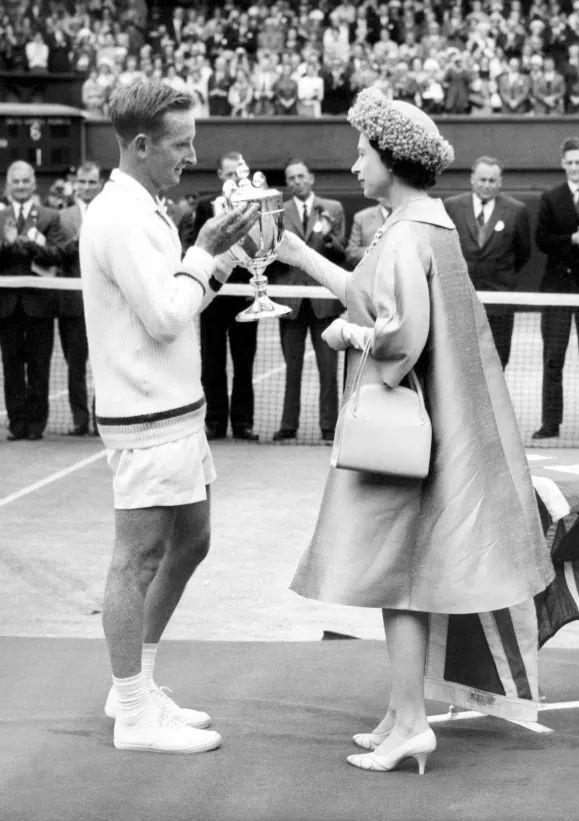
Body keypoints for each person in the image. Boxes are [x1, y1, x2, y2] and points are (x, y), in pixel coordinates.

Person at [277, 88, 554, 773]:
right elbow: (367, 291)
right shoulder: (426, 224)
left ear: (391, 160)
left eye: (362, 152)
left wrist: (345, 336)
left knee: (398, 579)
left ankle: (410, 724)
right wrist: (297, 252)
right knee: (403, 576)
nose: (355, 164)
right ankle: (400, 712)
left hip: (405, 437)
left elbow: (398, 340)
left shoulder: (404, 233)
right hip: (437, 432)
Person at [78, 79, 259, 753]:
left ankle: (136, 684)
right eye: (181, 144)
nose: (193, 155)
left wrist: (225, 255)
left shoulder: (145, 207)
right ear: (141, 145)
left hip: (178, 409)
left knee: (193, 540)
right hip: (146, 415)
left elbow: (179, 300)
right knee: (138, 558)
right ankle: (132, 712)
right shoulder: (120, 217)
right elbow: (163, 318)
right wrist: (205, 249)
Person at [179, 151, 260, 441]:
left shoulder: (255, 205)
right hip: (211, 296)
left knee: (244, 363)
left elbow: (263, 247)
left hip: (244, 296)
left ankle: (243, 423)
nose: (233, 179)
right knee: (212, 362)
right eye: (228, 174)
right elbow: (197, 246)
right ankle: (214, 421)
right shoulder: (205, 206)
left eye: (237, 174)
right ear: (219, 176)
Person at [270, 159, 346, 442]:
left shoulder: (333, 209)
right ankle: (288, 426)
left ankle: (330, 428)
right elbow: (272, 253)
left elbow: (341, 253)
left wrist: (326, 238)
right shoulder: (278, 211)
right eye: (291, 178)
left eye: (301, 176)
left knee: (328, 370)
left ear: (311, 178)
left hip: (324, 302)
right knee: (292, 370)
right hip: (290, 303)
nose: (297, 181)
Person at [533, 136, 579, 439]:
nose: (574, 167)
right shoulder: (551, 198)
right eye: (569, 162)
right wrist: (570, 240)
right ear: (562, 164)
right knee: (553, 358)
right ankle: (550, 424)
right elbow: (541, 240)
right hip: (557, 289)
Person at [444, 157, 531, 368]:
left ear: (500, 182)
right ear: (472, 180)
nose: (487, 185)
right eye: (482, 179)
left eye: (492, 181)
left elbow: (522, 253)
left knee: (498, 361)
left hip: (499, 301)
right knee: (461, 362)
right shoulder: (452, 206)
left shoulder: (517, 210)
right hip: (461, 299)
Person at [0, 161, 65, 441]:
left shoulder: (50, 216)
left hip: (40, 305)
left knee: (39, 366)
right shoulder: (0, 217)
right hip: (7, 306)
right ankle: (17, 424)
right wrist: (7, 244)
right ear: (8, 185)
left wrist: (28, 244)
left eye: (25, 181)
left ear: (34, 183)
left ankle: (36, 425)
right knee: (12, 368)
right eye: (16, 181)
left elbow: (58, 255)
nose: (21, 186)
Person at [57, 161, 103, 435]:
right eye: (83, 182)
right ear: (76, 184)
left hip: (104, 304)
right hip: (72, 304)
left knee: (104, 364)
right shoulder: (62, 217)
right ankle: (79, 420)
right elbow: (57, 254)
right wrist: (78, 239)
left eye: (92, 182)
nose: (87, 187)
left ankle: (101, 419)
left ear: (99, 184)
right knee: (75, 365)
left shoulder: (109, 212)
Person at [345, 202, 390, 269]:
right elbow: (352, 253)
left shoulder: (407, 216)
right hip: (371, 272)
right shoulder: (361, 217)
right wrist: (376, 251)